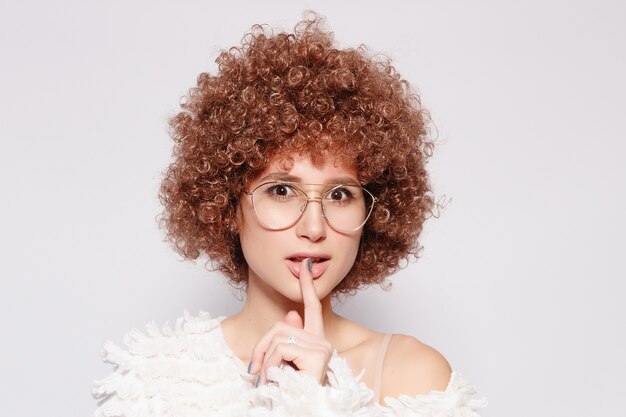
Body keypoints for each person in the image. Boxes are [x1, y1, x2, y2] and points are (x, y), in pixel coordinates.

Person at [92, 12, 487, 417]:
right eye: (282, 190)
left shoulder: (413, 378)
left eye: (339, 194)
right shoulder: (159, 383)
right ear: (227, 206)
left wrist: (312, 401)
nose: (314, 228)